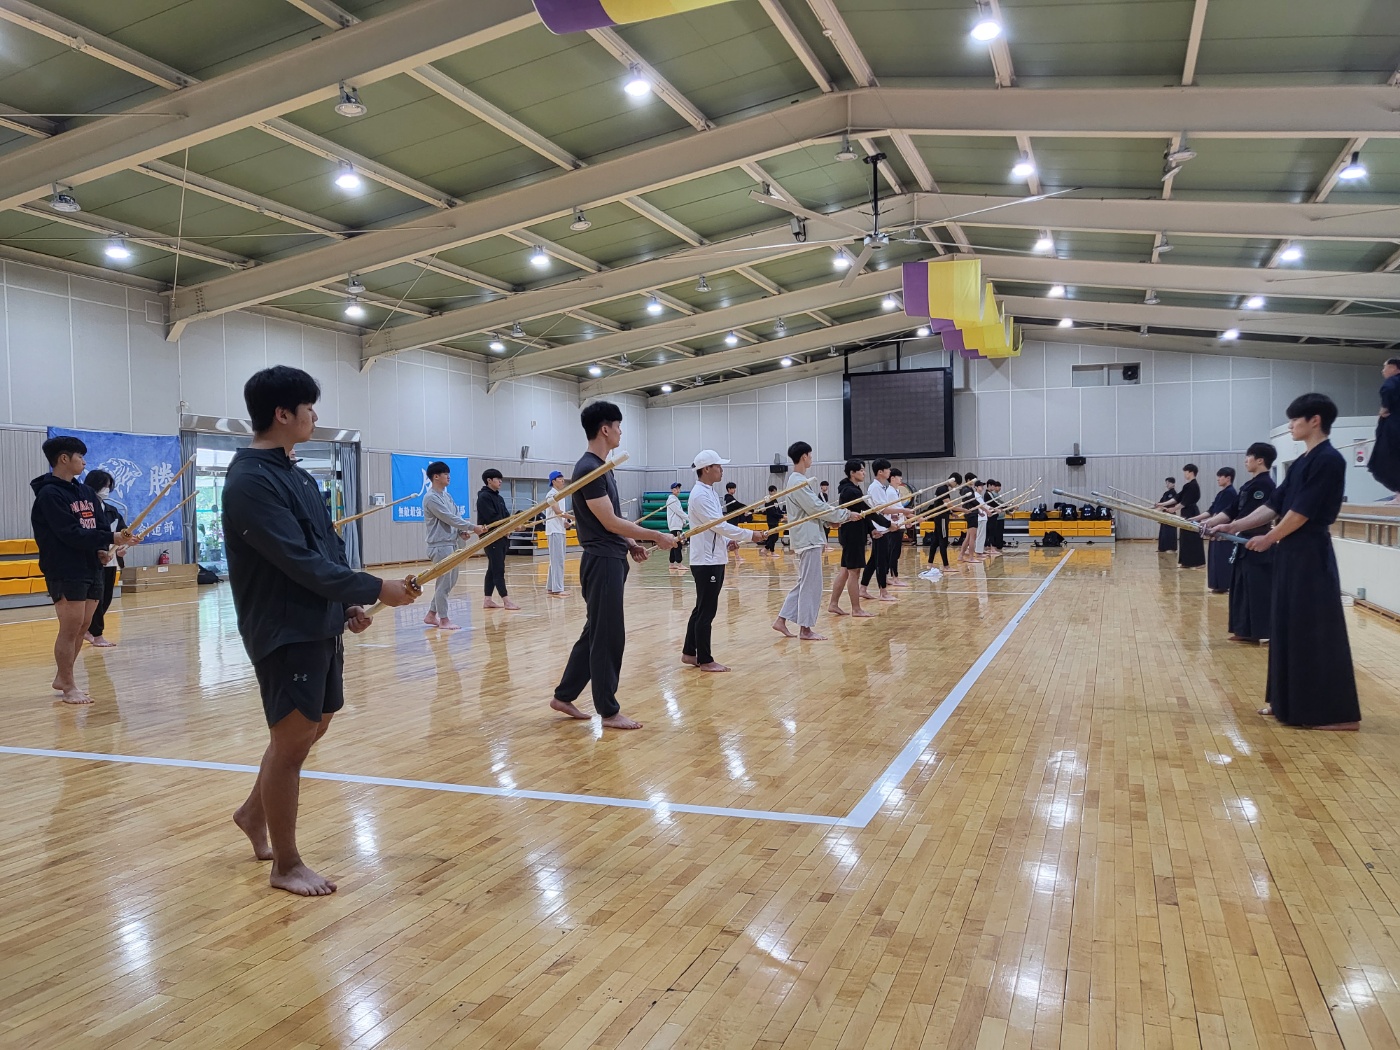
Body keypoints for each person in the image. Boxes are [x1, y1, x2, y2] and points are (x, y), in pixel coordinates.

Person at [223, 365, 417, 895]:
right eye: (308, 407)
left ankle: (252, 814)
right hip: (284, 628)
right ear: (282, 413)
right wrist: (375, 587)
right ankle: (286, 865)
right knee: (290, 745)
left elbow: (326, 548)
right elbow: (295, 560)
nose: (314, 415)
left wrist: (348, 602)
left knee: (315, 726)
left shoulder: (297, 473)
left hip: (319, 621)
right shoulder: (250, 482)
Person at [1214, 394, 1359, 730]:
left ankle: (1335, 714)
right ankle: (1287, 703)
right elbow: (1273, 506)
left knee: (1313, 629)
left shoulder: (1329, 460)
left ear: (1315, 420)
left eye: (1295, 420)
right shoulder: (1301, 462)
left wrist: (1269, 538)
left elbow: (1301, 512)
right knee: (1286, 627)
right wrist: (1233, 526)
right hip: (1290, 553)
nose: (1291, 425)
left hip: (1311, 555)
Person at [550, 400, 676, 730]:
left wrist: (631, 543)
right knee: (608, 637)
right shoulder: (588, 469)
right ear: (605, 429)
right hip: (602, 561)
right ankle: (608, 711)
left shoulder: (602, 467)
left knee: (596, 631)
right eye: (618, 426)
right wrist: (654, 535)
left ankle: (564, 696)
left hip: (611, 556)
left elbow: (610, 520)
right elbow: (608, 521)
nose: (621, 432)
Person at [30, 436, 129, 705]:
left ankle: (63, 677)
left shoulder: (85, 492)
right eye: (80, 457)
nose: (84, 462)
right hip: (65, 567)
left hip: (91, 565)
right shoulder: (50, 495)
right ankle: (69, 686)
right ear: (64, 458)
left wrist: (104, 546)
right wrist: (109, 538)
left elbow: (99, 525)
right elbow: (69, 533)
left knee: (84, 625)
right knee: (70, 627)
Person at [683, 449, 762, 672]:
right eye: (718, 466)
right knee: (706, 610)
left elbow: (714, 528)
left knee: (701, 608)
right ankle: (705, 659)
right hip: (706, 561)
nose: (721, 470)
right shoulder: (700, 495)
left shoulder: (709, 492)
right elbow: (718, 525)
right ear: (706, 469)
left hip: (713, 557)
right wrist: (750, 535)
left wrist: (727, 542)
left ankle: (689, 652)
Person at [772, 441, 852, 640]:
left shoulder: (797, 481)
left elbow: (811, 510)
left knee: (805, 582)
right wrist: (845, 515)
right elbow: (816, 507)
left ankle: (781, 620)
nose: (811, 459)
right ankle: (805, 628)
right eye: (810, 455)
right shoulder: (798, 482)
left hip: (807, 536)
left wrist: (831, 520)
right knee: (811, 584)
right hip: (807, 539)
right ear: (804, 456)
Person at [1200, 443, 1277, 643]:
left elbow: (1255, 516)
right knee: (1242, 587)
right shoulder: (1248, 486)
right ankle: (1245, 630)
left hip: (1257, 542)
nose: (1245, 460)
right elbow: (1231, 511)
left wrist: (1230, 527)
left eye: (1248, 457)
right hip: (1243, 542)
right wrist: (1208, 524)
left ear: (1260, 460)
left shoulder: (1265, 485)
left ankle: (1261, 632)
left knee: (1257, 588)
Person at [420, 461, 484, 630]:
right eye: (445, 474)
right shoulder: (431, 498)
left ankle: (431, 614)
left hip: (452, 543)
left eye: (449, 474)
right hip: (440, 546)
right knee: (443, 583)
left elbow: (455, 517)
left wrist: (461, 532)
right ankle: (444, 619)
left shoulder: (447, 496)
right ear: (436, 477)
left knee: (450, 582)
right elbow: (448, 518)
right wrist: (472, 527)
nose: (449, 477)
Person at [829, 459, 887, 617]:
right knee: (854, 572)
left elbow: (863, 514)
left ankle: (833, 604)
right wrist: (888, 524)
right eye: (861, 470)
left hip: (852, 534)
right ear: (852, 473)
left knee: (845, 571)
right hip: (852, 535)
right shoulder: (851, 491)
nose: (864, 473)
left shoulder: (853, 489)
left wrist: (872, 529)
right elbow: (868, 511)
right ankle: (856, 609)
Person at [83, 468, 129, 649]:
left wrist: (124, 546)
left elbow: (123, 533)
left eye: (109, 486)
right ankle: (97, 634)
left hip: (112, 561)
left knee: (107, 598)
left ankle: (89, 630)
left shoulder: (112, 511)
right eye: (104, 486)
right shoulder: (84, 509)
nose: (106, 490)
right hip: (94, 560)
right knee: (97, 598)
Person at [477, 468, 518, 610]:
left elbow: (505, 516)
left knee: (492, 568)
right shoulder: (484, 497)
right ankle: (506, 601)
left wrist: (512, 526)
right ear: (489, 480)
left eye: (501, 479)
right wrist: (505, 528)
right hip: (491, 538)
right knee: (498, 569)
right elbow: (492, 518)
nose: (500, 481)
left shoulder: (499, 498)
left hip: (502, 537)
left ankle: (487, 600)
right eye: (497, 479)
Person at [859, 459, 899, 601]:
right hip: (879, 529)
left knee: (873, 560)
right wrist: (903, 511)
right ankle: (883, 592)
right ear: (881, 472)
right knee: (882, 561)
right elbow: (880, 510)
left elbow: (883, 509)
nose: (889, 472)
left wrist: (892, 515)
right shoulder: (875, 487)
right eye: (888, 469)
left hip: (883, 527)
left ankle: (863, 588)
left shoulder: (881, 487)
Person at [1195, 467, 1237, 593]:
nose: (1218, 479)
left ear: (1228, 478)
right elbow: (1211, 511)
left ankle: (1224, 585)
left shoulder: (1230, 493)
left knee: (1222, 558)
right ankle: (1217, 586)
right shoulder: (1221, 493)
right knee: (1215, 558)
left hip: (1223, 531)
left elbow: (1224, 514)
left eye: (1220, 476)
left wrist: (1209, 523)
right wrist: (1194, 519)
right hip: (1215, 529)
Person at [1367, 357, 1400, 499]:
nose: (1383, 371)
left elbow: (1388, 390)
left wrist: (1385, 407)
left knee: (1383, 462)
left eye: (1385, 367)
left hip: (1394, 429)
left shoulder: (1393, 382)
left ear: (1394, 368)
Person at [1163, 465, 1204, 568]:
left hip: (1192, 513)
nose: (1184, 474)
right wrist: (1162, 504)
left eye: (1185, 472)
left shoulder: (1193, 486)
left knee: (1192, 537)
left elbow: (1185, 502)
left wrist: (1173, 509)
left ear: (1191, 472)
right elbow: (1177, 498)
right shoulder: (1187, 486)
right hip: (1186, 513)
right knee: (1184, 537)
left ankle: (1197, 563)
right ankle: (1186, 562)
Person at [544, 470, 573, 597]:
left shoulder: (561, 495)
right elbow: (557, 511)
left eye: (563, 478)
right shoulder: (551, 495)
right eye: (560, 478)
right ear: (553, 481)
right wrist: (575, 517)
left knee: (556, 559)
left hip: (560, 529)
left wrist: (566, 522)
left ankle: (551, 587)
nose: (563, 480)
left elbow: (561, 515)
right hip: (554, 530)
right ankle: (558, 589)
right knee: (558, 560)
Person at [927, 472, 960, 574]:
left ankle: (930, 563)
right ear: (953, 480)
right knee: (943, 540)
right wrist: (963, 509)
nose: (955, 486)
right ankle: (946, 566)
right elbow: (949, 505)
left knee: (935, 541)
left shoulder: (943, 489)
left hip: (941, 517)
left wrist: (951, 513)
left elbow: (943, 505)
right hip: (941, 519)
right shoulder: (943, 489)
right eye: (956, 483)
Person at [885, 467, 910, 585]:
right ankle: (894, 578)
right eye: (899, 477)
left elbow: (900, 508)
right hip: (894, 526)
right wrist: (909, 516)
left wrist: (906, 520)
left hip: (899, 524)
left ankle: (890, 577)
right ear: (893, 478)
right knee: (893, 552)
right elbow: (896, 509)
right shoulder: (890, 492)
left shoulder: (896, 491)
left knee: (895, 552)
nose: (901, 479)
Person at [958, 471, 983, 564]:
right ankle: (971, 557)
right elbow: (974, 501)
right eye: (973, 480)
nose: (974, 482)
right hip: (971, 514)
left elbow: (972, 503)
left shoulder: (967, 489)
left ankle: (961, 555)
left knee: (968, 537)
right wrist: (983, 508)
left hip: (972, 513)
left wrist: (979, 511)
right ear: (968, 480)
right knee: (973, 536)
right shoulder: (966, 490)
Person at [665, 481, 687, 572]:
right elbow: (678, 511)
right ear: (672, 490)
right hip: (674, 526)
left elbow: (679, 512)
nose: (677, 490)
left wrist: (684, 521)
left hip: (677, 525)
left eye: (678, 488)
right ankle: (679, 564)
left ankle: (671, 564)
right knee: (678, 545)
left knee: (673, 544)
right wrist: (688, 518)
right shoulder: (672, 500)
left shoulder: (676, 499)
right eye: (675, 489)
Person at [1153, 478, 1179, 553]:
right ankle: (1162, 548)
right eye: (1166, 483)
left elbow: (1167, 504)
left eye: (1168, 483)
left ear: (1173, 484)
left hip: (1170, 514)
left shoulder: (1174, 494)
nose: (1167, 485)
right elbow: (1159, 503)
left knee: (1170, 532)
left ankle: (1171, 548)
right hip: (1164, 515)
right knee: (1163, 532)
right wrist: (1150, 508)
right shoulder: (1165, 493)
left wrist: (1159, 508)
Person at [761, 485, 785, 556]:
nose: (775, 493)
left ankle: (766, 548)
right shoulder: (768, 501)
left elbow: (778, 510)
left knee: (775, 536)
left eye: (775, 491)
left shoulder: (775, 500)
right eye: (773, 491)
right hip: (771, 521)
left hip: (776, 520)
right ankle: (771, 551)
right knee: (773, 536)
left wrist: (783, 513)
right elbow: (772, 513)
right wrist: (782, 516)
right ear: (770, 492)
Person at [984, 479, 1005, 554]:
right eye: (993, 486)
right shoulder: (987, 494)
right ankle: (990, 548)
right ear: (989, 485)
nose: (994, 487)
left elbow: (994, 503)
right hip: (991, 515)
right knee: (991, 532)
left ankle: (991, 548)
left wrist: (1002, 507)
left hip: (993, 515)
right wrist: (1002, 507)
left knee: (992, 532)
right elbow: (993, 503)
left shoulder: (989, 493)